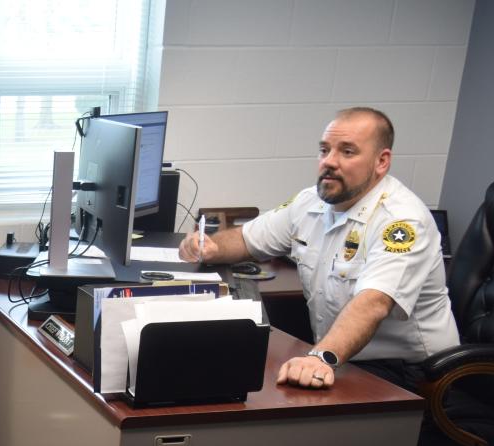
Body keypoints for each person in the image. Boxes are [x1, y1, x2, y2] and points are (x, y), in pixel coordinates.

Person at [178, 107, 458, 392]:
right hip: (341, 356)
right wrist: (212, 247)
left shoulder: (401, 222)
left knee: (276, 400)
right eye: (325, 150)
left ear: (381, 161)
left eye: (347, 152)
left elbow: (373, 303)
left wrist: (319, 358)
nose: (330, 162)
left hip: (413, 374)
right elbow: (248, 239)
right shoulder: (311, 202)